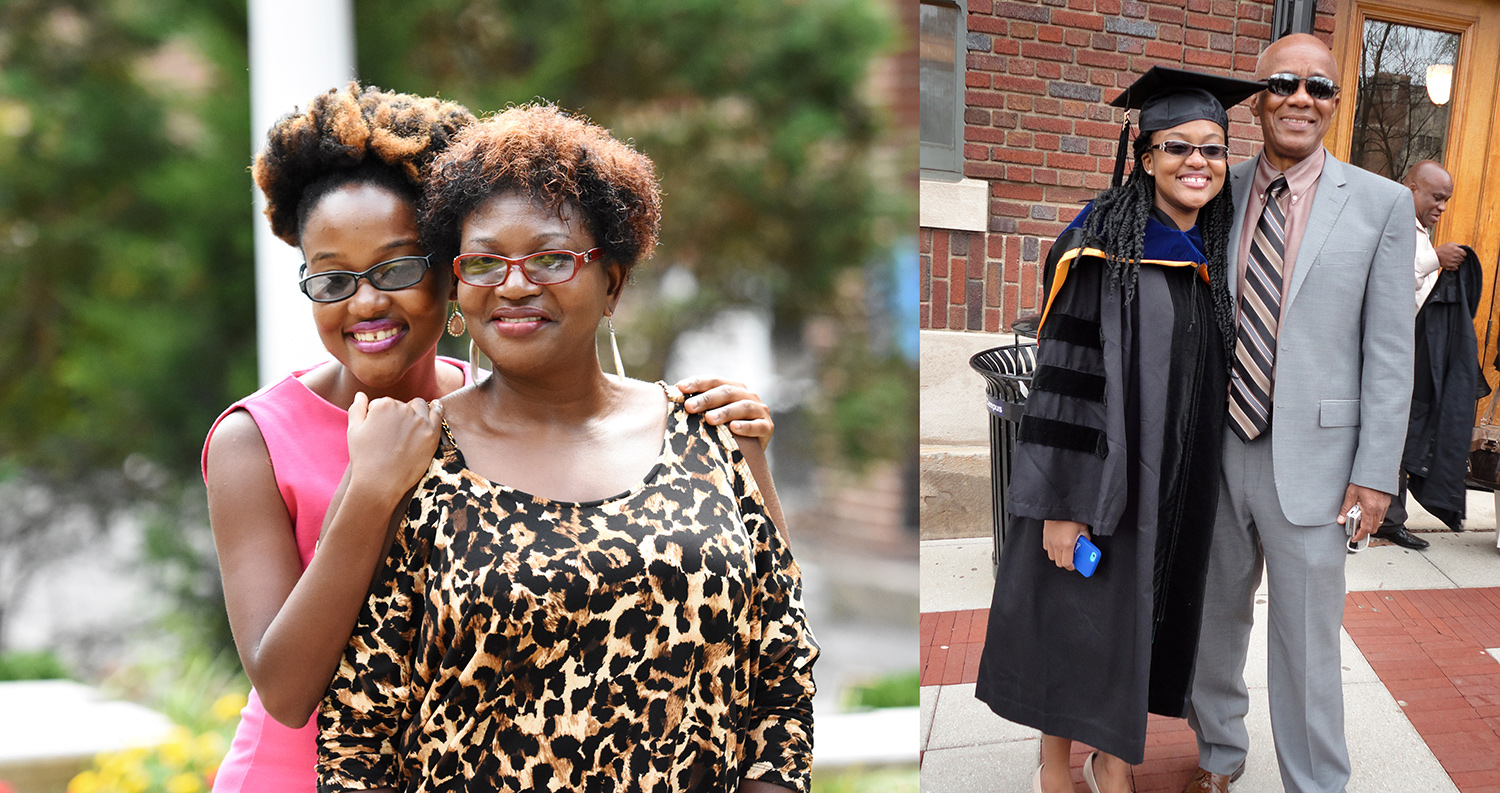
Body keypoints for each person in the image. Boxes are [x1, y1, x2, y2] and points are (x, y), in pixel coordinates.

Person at [201, 86, 777, 793]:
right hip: (297, 773)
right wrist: (371, 491)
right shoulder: (254, 438)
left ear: (446, 272)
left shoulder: (491, 403)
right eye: (333, 279)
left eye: (397, 268)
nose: (367, 302)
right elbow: (286, 694)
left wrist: (715, 440)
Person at [974, 67, 1262, 793]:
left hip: (1172, 483)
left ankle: (1114, 756)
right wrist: (1063, 506)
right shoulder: (1102, 246)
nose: (1198, 162)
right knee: (1076, 623)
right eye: (1177, 147)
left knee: (1131, 627)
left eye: (1213, 149)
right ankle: (1054, 770)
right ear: (1143, 156)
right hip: (1101, 481)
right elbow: (1064, 381)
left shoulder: (1210, 253)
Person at [1183, 34, 1417, 793]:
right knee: (1212, 621)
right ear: (1257, 96)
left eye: (1320, 88)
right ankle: (1218, 754)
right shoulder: (1216, 185)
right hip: (1216, 446)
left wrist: (1375, 473)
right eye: (1284, 82)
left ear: (1336, 104)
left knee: (1308, 644)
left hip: (1319, 464)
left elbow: (1388, 352)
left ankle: (1315, 782)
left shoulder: (1381, 204)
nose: (1300, 99)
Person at [1373, 159, 1480, 547]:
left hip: (1410, 357)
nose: (1442, 207)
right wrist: (1437, 259)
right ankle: (1386, 518)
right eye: (1436, 197)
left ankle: (1390, 518)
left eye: (1447, 200)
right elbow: (1389, 277)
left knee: (1406, 434)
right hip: (1389, 357)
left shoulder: (1418, 232)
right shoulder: (1392, 224)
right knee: (1394, 434)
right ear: (1411, 188)